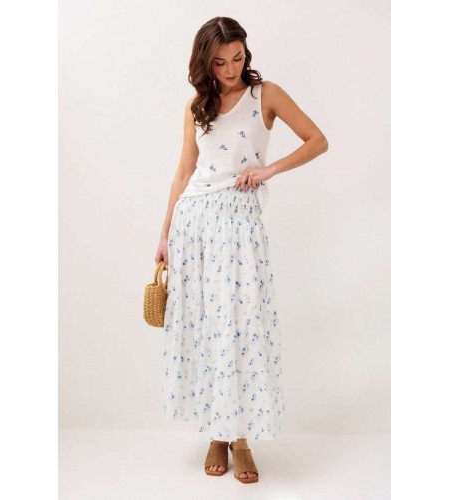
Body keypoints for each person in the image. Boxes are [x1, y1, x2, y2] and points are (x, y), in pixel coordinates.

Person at [155, 16, 328, 484]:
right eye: (220, 62)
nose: (231, 69)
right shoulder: (197, 106)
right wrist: (165, 233)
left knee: (242, 328)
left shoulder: (265, 95)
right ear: (204, 63)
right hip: (193, 224)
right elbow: (184, 170)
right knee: (208, 329)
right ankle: (217, 432)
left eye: (238, 58)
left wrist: (267, 171)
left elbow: (318, 141)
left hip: (239, 225)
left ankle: (242, 439)